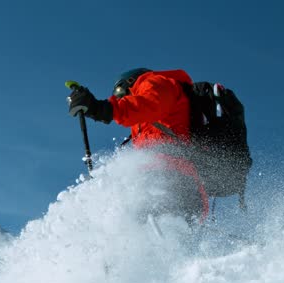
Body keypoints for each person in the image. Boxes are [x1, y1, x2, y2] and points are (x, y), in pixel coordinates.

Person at [68, 68, 210, 224]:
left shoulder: (154, 82)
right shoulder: (146, 124)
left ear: (130, 82)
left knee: (131, 224)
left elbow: (149, 103)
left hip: (168, 178)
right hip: (180, 185)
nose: (120, 98)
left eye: (120, 93)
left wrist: (101, 108)